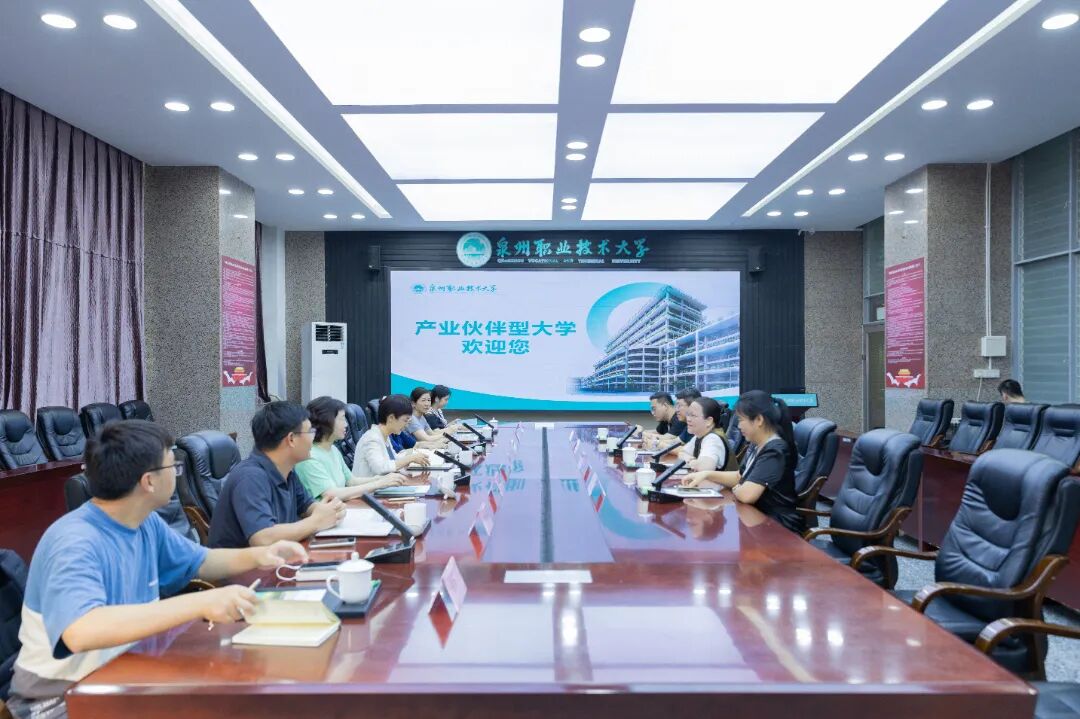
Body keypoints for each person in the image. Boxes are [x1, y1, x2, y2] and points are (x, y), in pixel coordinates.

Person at [6, 420, 308, 718]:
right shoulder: (74, 541)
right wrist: (201, 602)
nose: (177, 474)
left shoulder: (144, 522)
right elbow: (81, 630)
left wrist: (262, 554)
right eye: (173, 467)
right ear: (149, 481)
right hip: (60, 698)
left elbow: (202, 561)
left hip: (124, 671)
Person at [208, 402, 347, 549]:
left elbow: (307, 506)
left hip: (277, 558)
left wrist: (329, 511)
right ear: (291, 439)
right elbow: (263, 538)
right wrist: (316, 521)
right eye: (310, 431)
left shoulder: (287, 471)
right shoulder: (250, 477)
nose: (313, 438)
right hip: (245, 563)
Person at [682, 390, 803, 534]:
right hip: (757, 518)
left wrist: (738, 487)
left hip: (778, 527)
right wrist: (706, 474)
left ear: (758, 420)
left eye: (741, 420)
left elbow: (747, 495)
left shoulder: (775, 450)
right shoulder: (757, 445)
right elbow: (739, 477)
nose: (738, 426)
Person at [294, 396, 408, 501]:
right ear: (326, 420)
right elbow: (332, 494)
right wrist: (379, 484)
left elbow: (351, 481)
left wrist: (382, 479)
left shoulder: (333, 449)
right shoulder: (309, 457)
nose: (346, 425)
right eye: (342, 419)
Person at [354, 394, 431, 479]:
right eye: (405, 420)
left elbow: (394, 458)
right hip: (371, 487)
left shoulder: (384, 435)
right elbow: (380, 468)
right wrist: (410, 458)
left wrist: (413, 456)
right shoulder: (372, 438)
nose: (406, 425)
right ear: (391, 418)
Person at [678, 397, 737, 472]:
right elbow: (681, 453)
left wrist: (690, 461)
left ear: (709, 421)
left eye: (693, 415)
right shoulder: (699, 435)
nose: (688, 419)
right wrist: (691, 460)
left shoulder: (713, 439)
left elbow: (703, 469)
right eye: (688, 414)